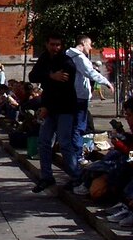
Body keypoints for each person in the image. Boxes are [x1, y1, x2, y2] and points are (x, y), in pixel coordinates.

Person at [29, 33, 79, 193]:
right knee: (43, 142)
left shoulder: (67, 62)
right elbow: (33, 76)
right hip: (50, 108)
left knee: (64, 143)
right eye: (52, 44)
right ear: (47, 44)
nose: (55, 48)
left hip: (65, 108)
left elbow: (61, 90)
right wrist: (50, 76)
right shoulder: (44, 58)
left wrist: (46, 107)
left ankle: (76, 176)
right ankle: (46, 177)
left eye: (58, 45)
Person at [66, 35, 114, 172]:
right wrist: (106, 82)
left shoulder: (68, 55)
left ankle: (74, 154)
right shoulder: (80, 57)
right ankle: (78, 156)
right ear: (83, 43)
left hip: (72, 95)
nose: (91, 47)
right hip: (79, 96)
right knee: (79, 127)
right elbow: (91, 72)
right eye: (90, 44)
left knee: (74, 126)